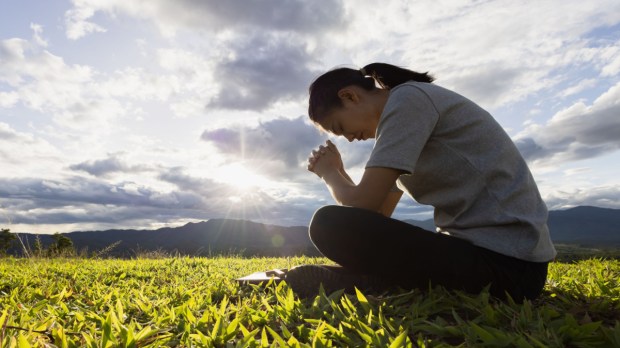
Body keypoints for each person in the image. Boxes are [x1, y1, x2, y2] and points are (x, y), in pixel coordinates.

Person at [284, 63, 556, 302]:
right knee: (340, 226)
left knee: (328, 224)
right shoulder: (401, 125)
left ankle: (378, 280)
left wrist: (329, 174)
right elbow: (375, 217)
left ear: (349, 96)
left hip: (510, 266)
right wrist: (341, 173)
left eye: (340, 128)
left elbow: (360, 205)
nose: (350, 139)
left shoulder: (408, 100)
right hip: (488, 259)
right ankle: (372, 280)